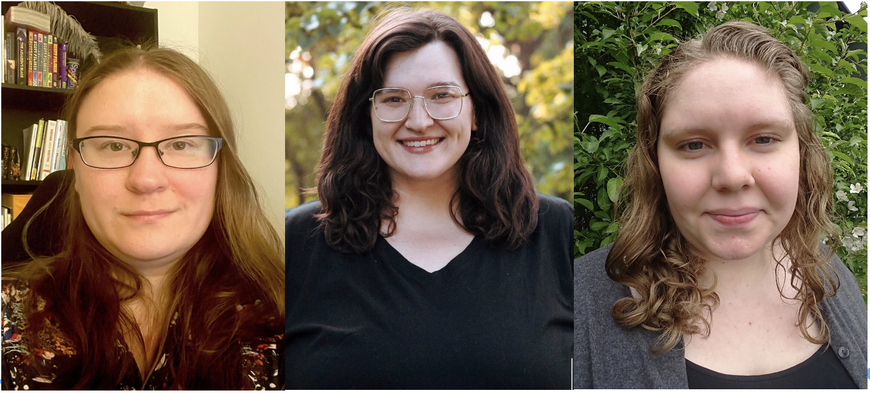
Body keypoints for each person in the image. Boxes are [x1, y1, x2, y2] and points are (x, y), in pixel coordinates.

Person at [285, 7, 572, 389]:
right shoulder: (296, 242)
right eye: (393, 99)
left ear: (476, 111)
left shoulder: (557, 232)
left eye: (441, 95)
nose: (418, 120)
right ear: (364, 114)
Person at [573, 21, 867, 388]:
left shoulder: (831, 275)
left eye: (763, 138)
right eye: (693, 144)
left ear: (801, 153)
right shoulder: (575, 305)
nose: (731, 175)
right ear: (655, 163)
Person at [1, 47, 285, 389]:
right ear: (74, 168)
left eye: (181, 145)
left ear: (220, 167)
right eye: (113, 145)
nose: (146, 179)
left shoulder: (290, 320)